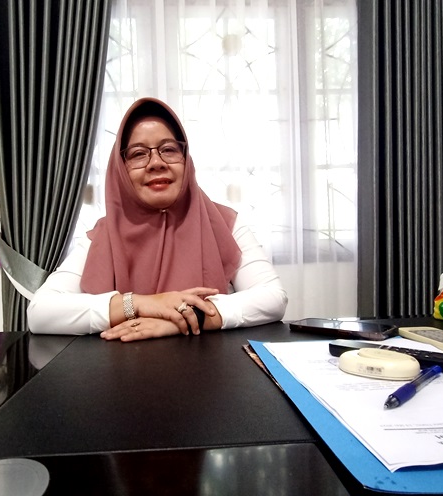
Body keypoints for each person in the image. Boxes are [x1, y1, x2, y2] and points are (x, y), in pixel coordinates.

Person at [27, 97, 287, 342]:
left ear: (186, 159)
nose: (156, 163)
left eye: (169, 150)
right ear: (121, 168)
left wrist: (186, 318)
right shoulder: (104, 235)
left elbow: (273, 298)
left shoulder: (223, 223)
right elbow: (40, 312)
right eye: (138, 154)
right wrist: (141, 304)